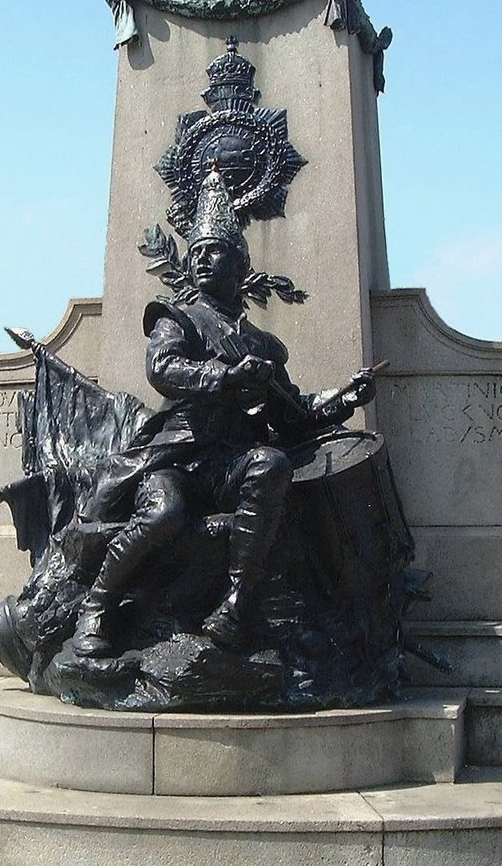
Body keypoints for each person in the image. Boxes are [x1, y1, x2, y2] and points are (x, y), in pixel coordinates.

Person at [71, 168, 375, 657]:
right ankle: (97, 606)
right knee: (165, 511)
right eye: (196, 253)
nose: (203, 260)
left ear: (240, 264)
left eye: (215, 251)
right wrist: (225, 377)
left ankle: (235, 607)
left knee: (271, 463)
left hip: (228, 462)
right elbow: (163, 369)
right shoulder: (177, 319)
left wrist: (344, 399)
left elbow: (293, 412)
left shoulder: (261, 345)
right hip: (176, 459)